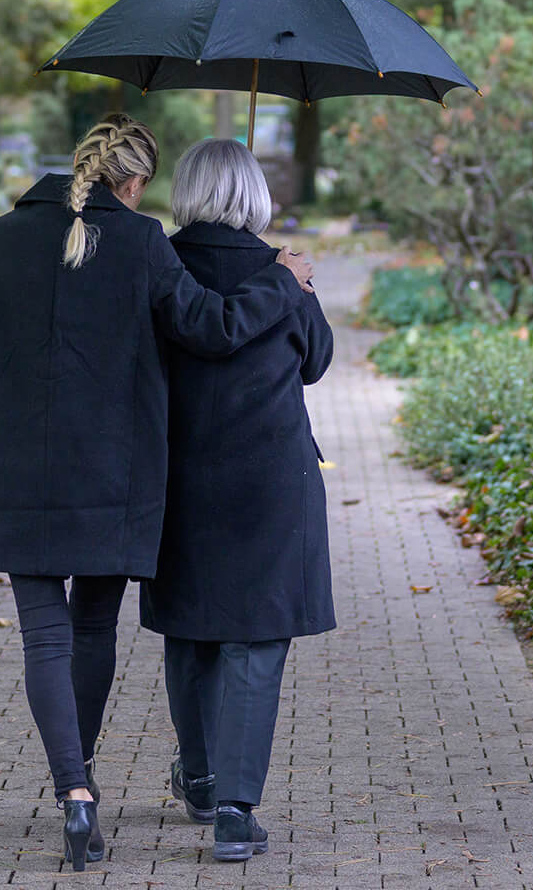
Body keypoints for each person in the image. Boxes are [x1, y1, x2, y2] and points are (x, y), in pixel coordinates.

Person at [0, 116, 315, 872]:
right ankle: (114, 785)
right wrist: (281, 279)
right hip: (110, 470)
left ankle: (76, 792)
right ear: (133, 184)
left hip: (16, 463)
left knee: (44, 637)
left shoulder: (0, 237)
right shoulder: (140, 242)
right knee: (92, 629)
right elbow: (212, 329)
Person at [141, 138, 337, 863]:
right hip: (270, 483)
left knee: (190, 628)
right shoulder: (280, 271)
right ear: (252, 195)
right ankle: (233, 808)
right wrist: (296, 284)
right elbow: (315, 363)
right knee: (255, 640)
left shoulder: (160, 265)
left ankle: (198, 776)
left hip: (180, 477)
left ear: (188, 192)